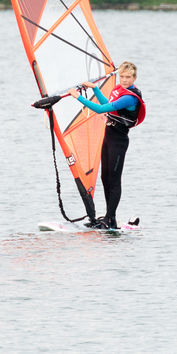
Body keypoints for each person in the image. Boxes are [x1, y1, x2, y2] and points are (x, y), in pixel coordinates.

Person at [68, 61, 145, 230]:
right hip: (108, 138)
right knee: (105, 177)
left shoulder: (129, 98)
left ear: (134, 78)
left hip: (119, 141)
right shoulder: (121, 92)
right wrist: (95, 89)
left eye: (128, 77)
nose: (124, 80)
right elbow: (107, 106)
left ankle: (110, 218)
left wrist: (78, 97)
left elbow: (101, 110)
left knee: (114, 180)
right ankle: (110, 217)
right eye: (122, 77)